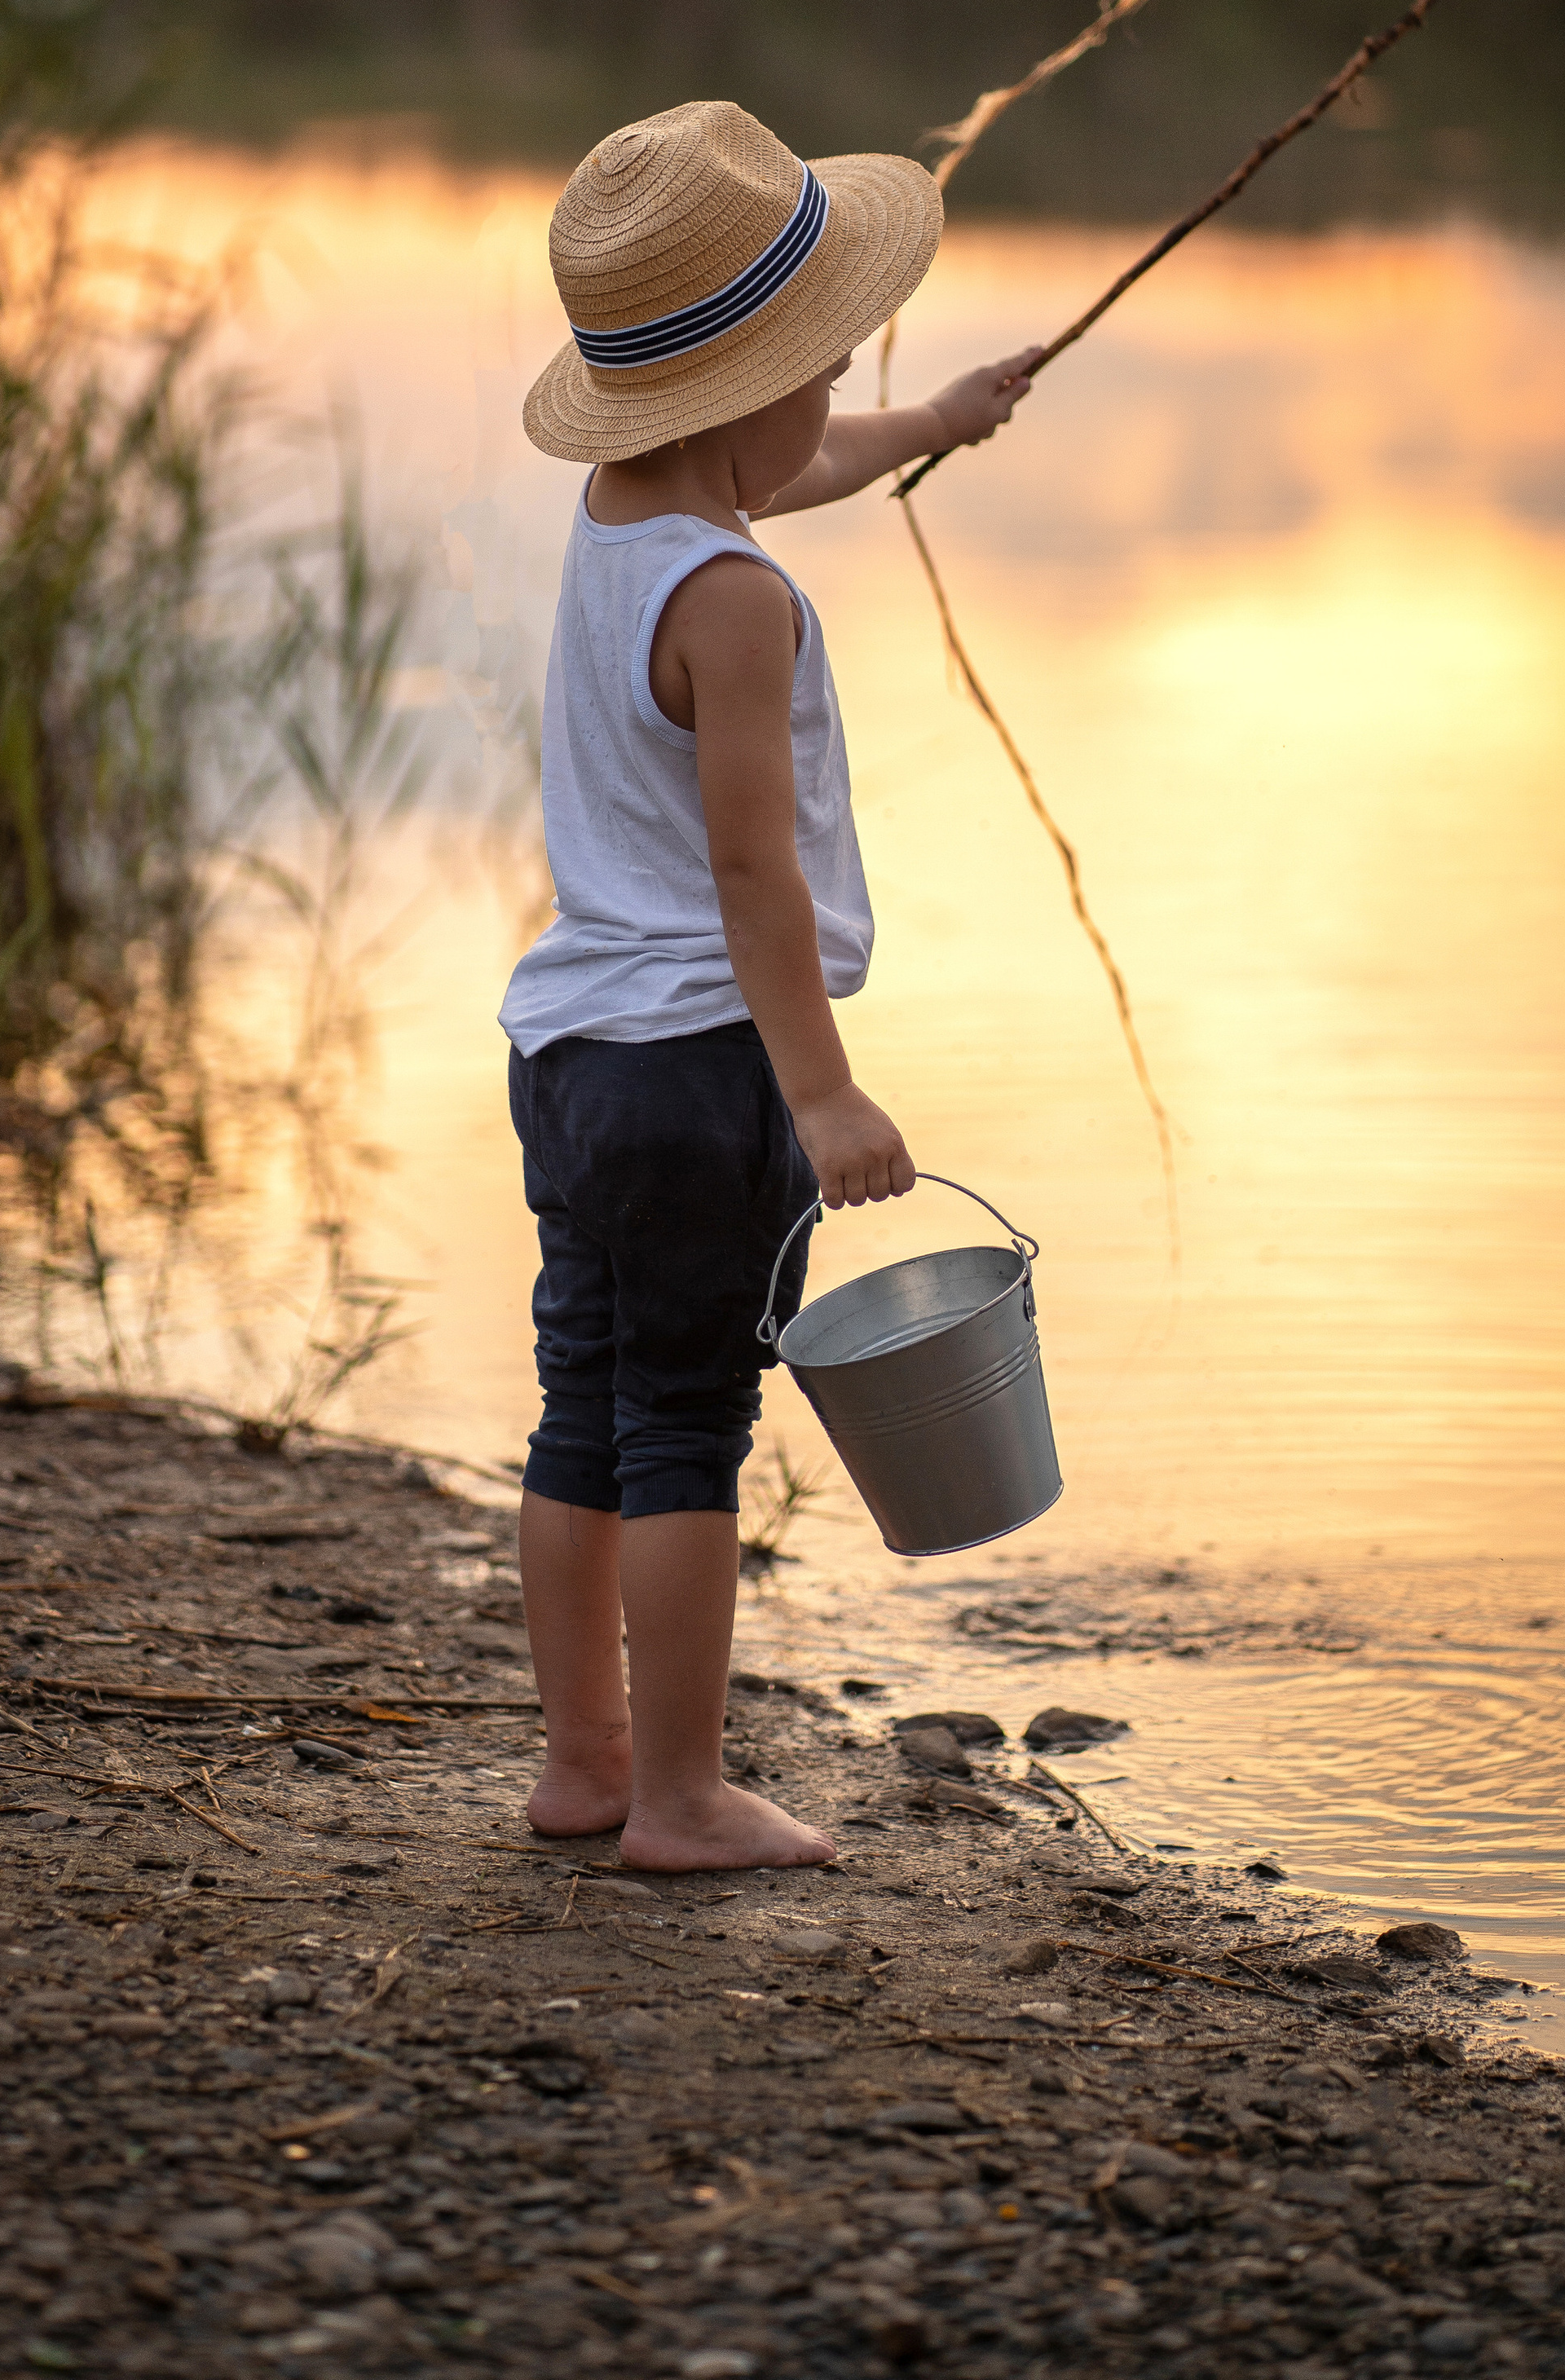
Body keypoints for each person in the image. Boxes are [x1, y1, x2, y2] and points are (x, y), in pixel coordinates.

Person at [500, 99, 1039, 1870]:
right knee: (686, 1430)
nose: (832, 399)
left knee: (584, 1403)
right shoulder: (741, 610)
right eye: (824, 365)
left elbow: (779, 464)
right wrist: (821, 1093)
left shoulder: (620, 511)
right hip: (699, 1064)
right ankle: (677, 1798)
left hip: (570, 1047)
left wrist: (934, 422)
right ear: (745, 389)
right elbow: (753, 875)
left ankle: (582, 1764)